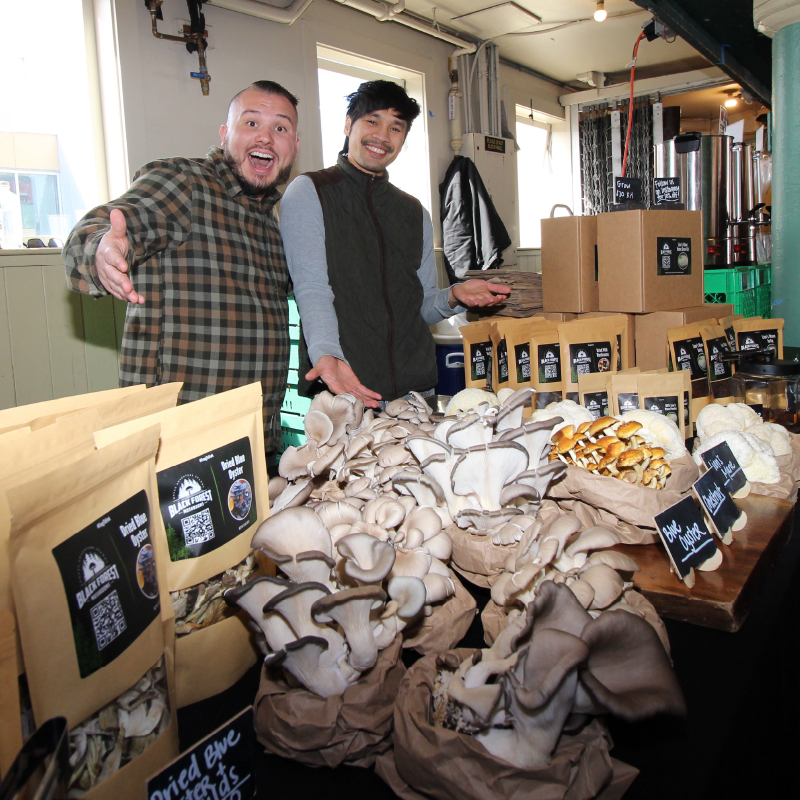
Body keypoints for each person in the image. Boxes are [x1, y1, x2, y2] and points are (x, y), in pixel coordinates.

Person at [63, 80, 299, 454]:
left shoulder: (277, 222)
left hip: (254, 438)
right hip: (173, 440)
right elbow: (101, 227)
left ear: (294, 148)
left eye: (281, 128)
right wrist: (102, 249)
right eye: (251, 123)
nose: (266, 138)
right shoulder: (186, 182)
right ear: (225, 135)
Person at [280, 80, 510, 409]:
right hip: (347, 390)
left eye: (396, 128)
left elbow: (421, 308)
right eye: (371, 121)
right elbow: (312, 288)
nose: (382, 137)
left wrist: (454, 296)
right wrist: (327, 354)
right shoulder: (310, 191)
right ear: (348, 125)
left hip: (417, 391)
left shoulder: (414, 212)